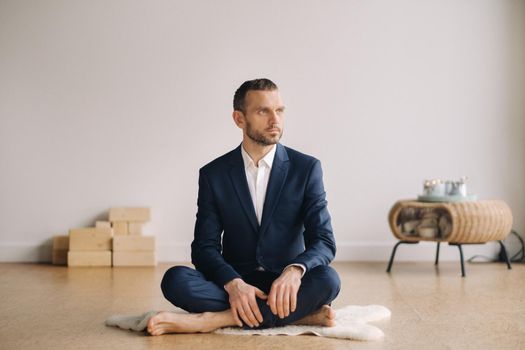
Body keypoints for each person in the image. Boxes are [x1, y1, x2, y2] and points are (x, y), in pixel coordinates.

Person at [147, 78, 340, 336]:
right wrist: (233, 283)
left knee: (328, 280)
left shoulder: (306, 168)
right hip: (236, 282)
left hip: (285, 285)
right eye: (263, 111)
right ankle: (300, 315)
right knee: (175, 280)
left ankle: (215, 320)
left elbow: (324, 241)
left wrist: (294, 272)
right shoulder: (213, 174)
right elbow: (204, 248)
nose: (275, 120)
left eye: (279, 110)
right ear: (239, 119)